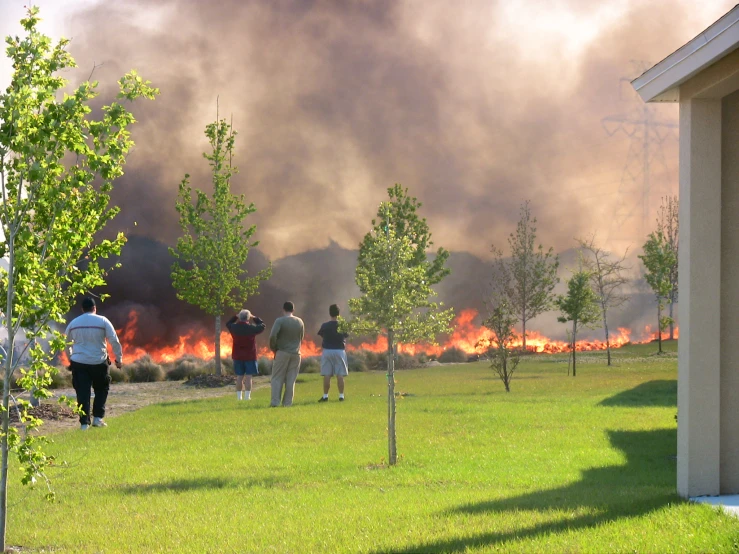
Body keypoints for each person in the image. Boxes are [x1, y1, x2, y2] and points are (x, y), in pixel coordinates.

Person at [65, 297, 123, 430]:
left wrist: (71, 358)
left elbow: (66, 344)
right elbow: (114, 340)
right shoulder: (102, 321)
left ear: (82, 309)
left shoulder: (74, 323)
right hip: (99, 362)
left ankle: (84, 424)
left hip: (79, 363)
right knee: (101, 389)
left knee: (82, 392)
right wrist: (119, 359)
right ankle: (98, 418)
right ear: (94, 308)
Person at [268, 301, 304, 407]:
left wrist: (274, 348)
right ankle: (287, 403)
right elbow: (301, 337)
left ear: (283, 309)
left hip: (282, 352)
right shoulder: (300, 321)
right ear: (293, 310)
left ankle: (275, 402)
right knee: (291, 380)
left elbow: (272, 336)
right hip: (296, 354)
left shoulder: (280, 321)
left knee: (277, 378)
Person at [226, 309, 265, 400]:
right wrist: (254, 317)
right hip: (250, 356)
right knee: (248, 377)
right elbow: (262, 325)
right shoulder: (252, 328)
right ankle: (247, 397)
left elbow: (228, 323)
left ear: (240, 317)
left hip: (237, 356)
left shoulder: (234, 327)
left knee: (239, 377)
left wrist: (236, 316)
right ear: (248, 318)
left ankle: (239, 397)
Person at [317, 304, 349, 402]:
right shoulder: (342, 325)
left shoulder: (325, 325)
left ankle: (325, 396)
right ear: (338, 314)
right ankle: (341, 396)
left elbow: (321, 335)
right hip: (339, 351)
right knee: (340, 374)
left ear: (329, 313)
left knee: (327, 374)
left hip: (327, 351)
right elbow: (346, 335)